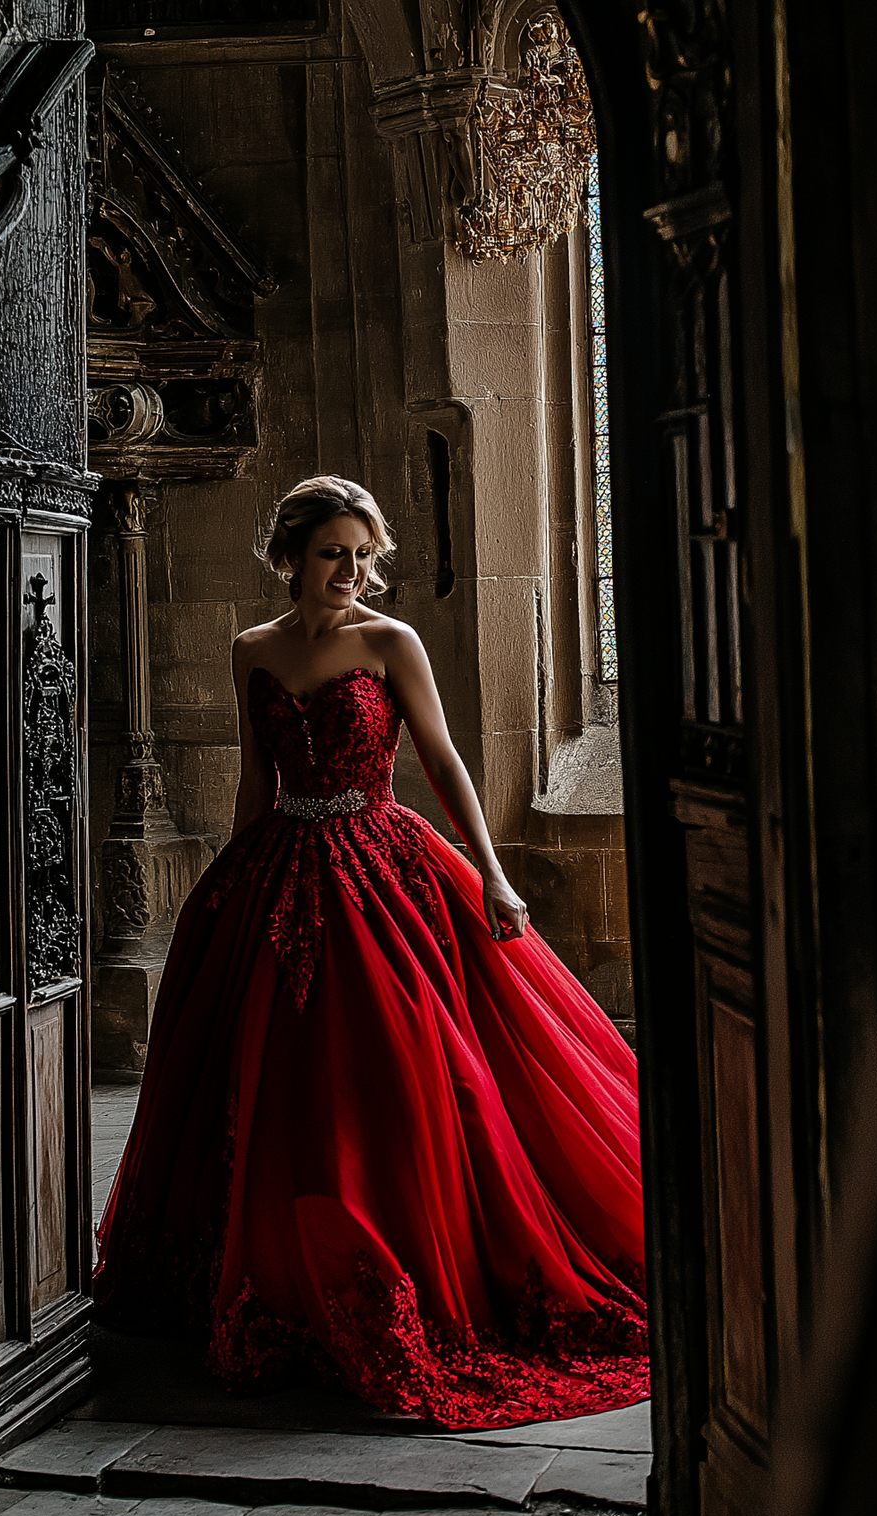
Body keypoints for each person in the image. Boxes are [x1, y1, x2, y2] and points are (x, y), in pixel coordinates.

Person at [92, 475, 648, 1429]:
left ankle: (411, 1257)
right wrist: (225, 885)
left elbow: (440, 760)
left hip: (384, 867)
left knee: (399, 1071)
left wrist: (495, 875)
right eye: (332, 553)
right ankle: (284, 1274)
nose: (350, 570)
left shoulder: (391, 643)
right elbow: (255, 777)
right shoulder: (251, 648)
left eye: (362, 553)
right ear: (291, 557)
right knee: (273, 1086)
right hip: (277, 867)